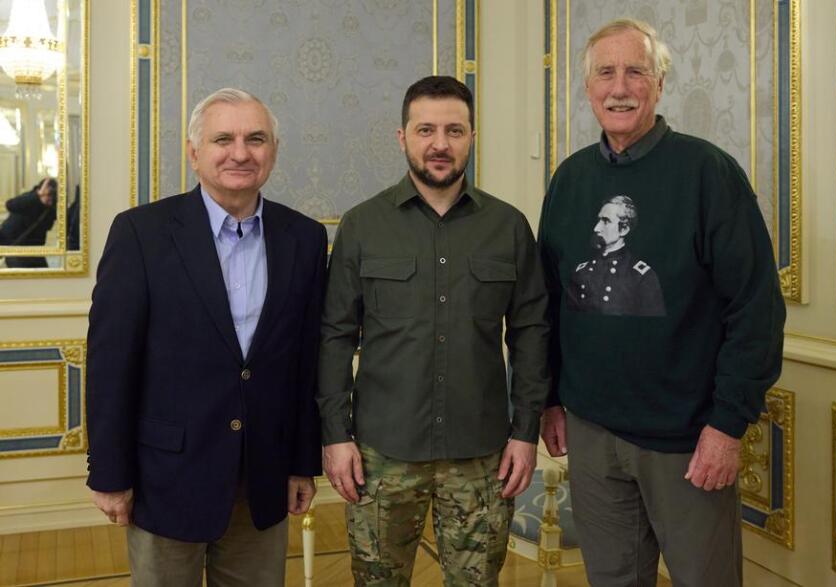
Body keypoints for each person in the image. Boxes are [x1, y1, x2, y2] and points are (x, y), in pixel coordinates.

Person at [538, 19, 786, 587]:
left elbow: (756, 309)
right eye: (606, 72)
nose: (619, 86)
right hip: (593, 436)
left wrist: (727, 425)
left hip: (688, 442)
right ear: (588, 87)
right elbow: (549, 303)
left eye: (636, 71)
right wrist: (550, 399)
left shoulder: (709, 173)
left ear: (660, 84)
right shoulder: (569, 180)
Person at [86, 88, 326, 586]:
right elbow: (111, 364)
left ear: (273, 152)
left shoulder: (303, 237)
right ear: (195, 153)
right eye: (224, 139)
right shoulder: (141, 233)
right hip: (167, 479)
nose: (241, 152)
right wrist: (110, 475)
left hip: (263, 480)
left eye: (256, 139)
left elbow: (307, 362)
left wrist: (302, 464)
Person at [318, 75, 550, 586]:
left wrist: (526, 431)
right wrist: (336, 435)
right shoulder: (362, 225)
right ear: (402, 137)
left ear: (472, 137)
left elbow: (531, 332)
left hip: (482, 454)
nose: (439, 144)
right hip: (381, 455)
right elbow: (334, 335)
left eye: (454, 130)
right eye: (425, 130)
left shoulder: (508, 227)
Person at [567, 194, 665, 315]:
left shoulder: (642, 277)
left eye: (606, 221)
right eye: (598, 220)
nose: (596, 228)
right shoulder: (581, 272)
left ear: (624, 229)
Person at [0, 177, 57, 268]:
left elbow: (49, 225)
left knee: (45, 277)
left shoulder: (50, 208)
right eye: (48, 195)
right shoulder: (29, 198)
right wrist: (38, 195)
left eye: (52, 195)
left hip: (34, 250)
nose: (49, 198)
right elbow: (9, 205)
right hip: (14, 247)